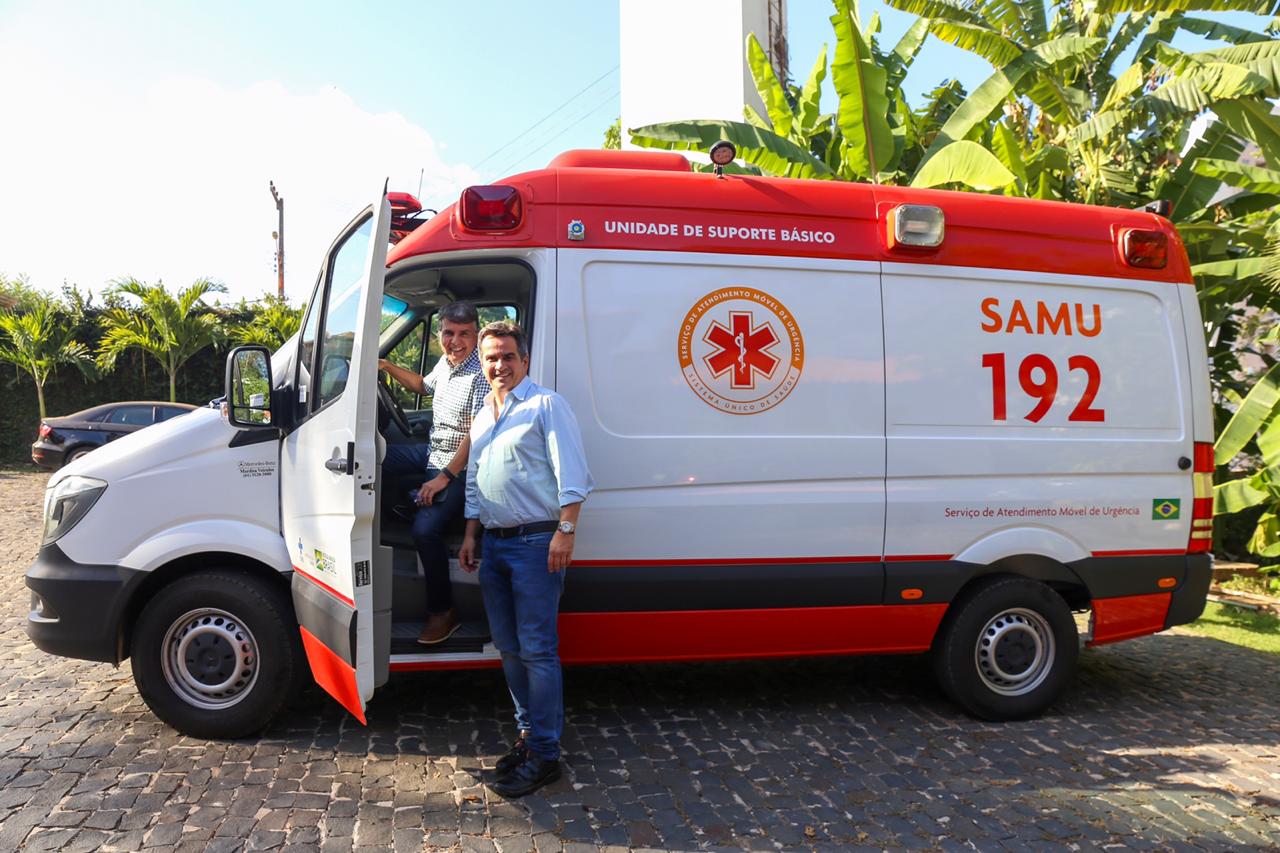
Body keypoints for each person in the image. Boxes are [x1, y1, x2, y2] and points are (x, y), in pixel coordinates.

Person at [459, 321, 593, 798]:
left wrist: (566, 532)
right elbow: (475, 481)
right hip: (493, 545)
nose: (499, 365)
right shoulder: (482, 415)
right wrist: (472, 533)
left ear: (525, 360)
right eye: (491, 357)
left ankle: (546, 754)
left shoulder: (545, 406)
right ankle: (528, 736)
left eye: (508, 357)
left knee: (537, 650)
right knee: (510, 648)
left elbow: (573, 474)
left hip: (537, 544)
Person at [378, 301, 487, 644]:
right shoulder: (448, 363)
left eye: (464, 334)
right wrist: (385, 365)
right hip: (432, 450)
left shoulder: (480, 373)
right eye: (449, 333)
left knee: (425, 531)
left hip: (460, 464)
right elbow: (423, 386)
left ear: (476, 334)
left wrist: (443, 478)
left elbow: (477, 435)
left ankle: (443, 611)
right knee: (369, 458)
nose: (455, 341)